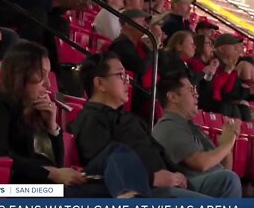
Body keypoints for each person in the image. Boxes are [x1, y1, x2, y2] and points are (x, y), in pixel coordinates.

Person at [0, 42, 149, 198]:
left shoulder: (37, 111)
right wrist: (50, 173)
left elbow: (57, 164)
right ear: (20, 73)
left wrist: (52, 127)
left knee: (116, 159)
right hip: (26, 190)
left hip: (51, 187)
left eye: (48, 75)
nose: (47, 84)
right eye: (41, 75)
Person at [69, 52, 237, 198]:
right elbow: (100, 168)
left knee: (227, 181)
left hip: (168, 183)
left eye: (127, 76)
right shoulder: (92, 118)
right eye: (121, 76)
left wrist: (176, 175)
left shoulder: (129, 118)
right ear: (100, 83)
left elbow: (158, 153)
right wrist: (151, 178)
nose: (128, 81)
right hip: (146, 191)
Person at [153, 73, 242, 197]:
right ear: (172, 97)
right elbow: (201, 163)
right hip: (188, 189)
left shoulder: (190, 126)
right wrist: (227, 144)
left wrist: (226, 146)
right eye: (191, 90)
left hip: (206, 187)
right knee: (229, 180)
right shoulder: (168, 126)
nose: (196, 94)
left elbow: (224, 170)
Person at [211, 34, 254, 125]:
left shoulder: (229, 66)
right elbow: (226, 92)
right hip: (217, 106)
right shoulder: (214, 64)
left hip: (229, 106)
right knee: (239, 107)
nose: (237, 52)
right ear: (222, 49)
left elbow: (236, 91)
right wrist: (250, 91)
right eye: (234, 48)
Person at [108, 9, 153, 118]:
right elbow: (141, 67)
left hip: (142, 96)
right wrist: (153, 50)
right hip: (133, 101)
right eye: (142, 21)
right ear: (128, 24)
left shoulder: (139, 45)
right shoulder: (121, 45)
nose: (146, 25)